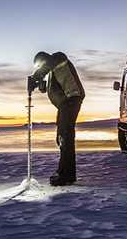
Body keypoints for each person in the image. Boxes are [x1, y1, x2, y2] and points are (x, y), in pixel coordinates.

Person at [29, 51, 85, 186]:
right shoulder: (52, 71)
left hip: (72, 99)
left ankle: (66, 175)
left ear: (44, 60)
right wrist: (39, 85)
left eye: (39, 65)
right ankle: (65, 172)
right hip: (64, 105)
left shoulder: (58, 57)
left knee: (65, 136)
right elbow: (51, 87)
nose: (39, 68)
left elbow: (50, 64)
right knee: (61, 137)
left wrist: (36, 76)